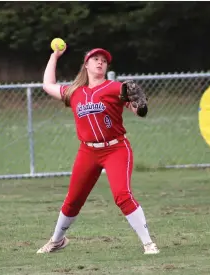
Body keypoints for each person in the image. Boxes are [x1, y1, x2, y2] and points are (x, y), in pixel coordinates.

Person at [37, 44, 160, 255]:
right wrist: (54, 56)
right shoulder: (75, 92)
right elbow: (48, 84)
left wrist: (140, 106)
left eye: (104, 60)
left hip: (115, 149)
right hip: (87, 152)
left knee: (122, 195)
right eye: (96, 59)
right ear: (86, 65)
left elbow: (138, 111)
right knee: (73, 199)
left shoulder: (114, 87)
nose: (101, 62)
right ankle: (57, 241)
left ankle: (149, 244)